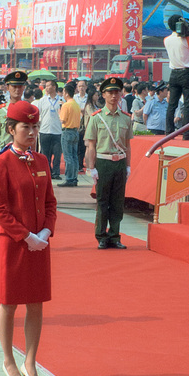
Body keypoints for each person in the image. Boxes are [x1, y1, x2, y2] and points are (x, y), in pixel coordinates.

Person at [0, 101, 57, 376]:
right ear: (11, 129)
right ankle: (8, 360)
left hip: (39, 244)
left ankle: (31, 361)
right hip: (14, 243)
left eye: (34, 126)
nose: (31, 132)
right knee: (9, 302)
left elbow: (51, 202)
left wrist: (44, 232)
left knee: (36, 302)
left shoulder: (41, 161)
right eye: (24, 127)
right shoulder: (2, 162)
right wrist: (25, 236)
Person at [85, 77, 133, 249]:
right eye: (110, 92)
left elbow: (127, 145)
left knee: (118, 201)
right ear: (103, 95)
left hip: (119, 163)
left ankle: (115, 235)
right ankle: (101, 236)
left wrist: (127, 166)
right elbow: (91, 144)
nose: (113, 96)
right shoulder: (96, 118)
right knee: (103, 201)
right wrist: (92, 168)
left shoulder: (126, 118)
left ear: (120, 94)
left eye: (116, 92)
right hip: (103, 162)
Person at [164, 14, 189, 140]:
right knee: (188, 104)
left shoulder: (166, 40)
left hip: (173, 73)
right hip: (187, 73)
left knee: (172, 104)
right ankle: (187, 134)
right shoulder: (188, 39)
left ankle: (169, 132)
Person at [0, 71, 27, 165]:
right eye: (14, 87)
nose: (17, 90)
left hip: (23, 154)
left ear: (24, 88)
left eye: (20, 87)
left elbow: (33, 136)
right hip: (4, 154)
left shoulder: (28, 110)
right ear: (8, 88)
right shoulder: (0, 111)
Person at [37, 80, 63, 180]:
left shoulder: (61, 100)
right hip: (44, 130)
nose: (46, 88)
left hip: (57, 131)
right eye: (46, 86)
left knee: (57, 154)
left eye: (48, 86)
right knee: (44, 155)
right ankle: (46, 172)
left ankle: (56, 173)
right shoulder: (42, 101)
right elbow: (38, 114)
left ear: (54, 87)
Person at [58, 84, 80, 187]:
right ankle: (74, 177)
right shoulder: (76, 104)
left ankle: (69, 178)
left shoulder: (66, 105)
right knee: (74, 156)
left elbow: (62, 119)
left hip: (67, 131)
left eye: (63, 92)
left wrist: (59, 111)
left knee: (68, 157)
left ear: (66, 93)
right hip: (75, 131)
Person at [75, 79, 88, 171]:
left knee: (84, 146)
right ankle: (78, 164)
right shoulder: (75, 97)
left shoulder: (88, 97)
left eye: (83, 86)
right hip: (77, 124)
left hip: (86, 125)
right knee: (78, 145)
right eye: (79, 86)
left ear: (86, 87)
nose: (81, 88)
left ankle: (81, 163)